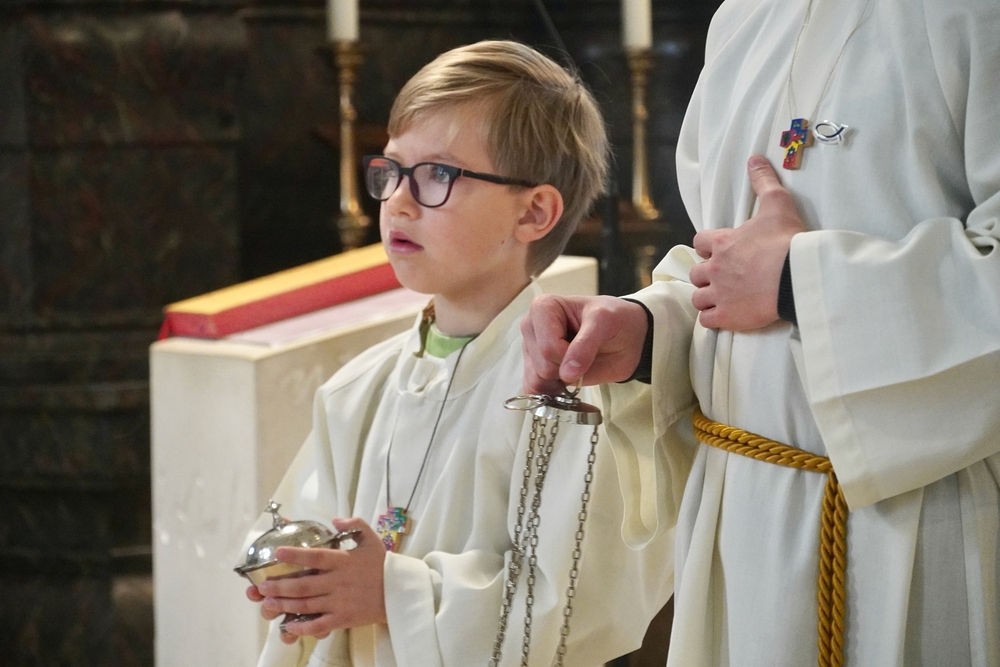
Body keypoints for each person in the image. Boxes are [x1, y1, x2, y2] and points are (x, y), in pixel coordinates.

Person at [520, 0, 1000, 664]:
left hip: (911, 524)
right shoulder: (744, 17)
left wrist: (798, 281)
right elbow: (731, 261)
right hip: (740, 516)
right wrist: (651, 329)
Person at [242, 40, 674, 667]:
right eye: (392, 170)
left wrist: (390, 592)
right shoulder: (355, 390)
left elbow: (580, 605)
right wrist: (295, 578)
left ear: (534, 212)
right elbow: (304, 548)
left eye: (438, 175)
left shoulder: (578, 388)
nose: (398, 200)